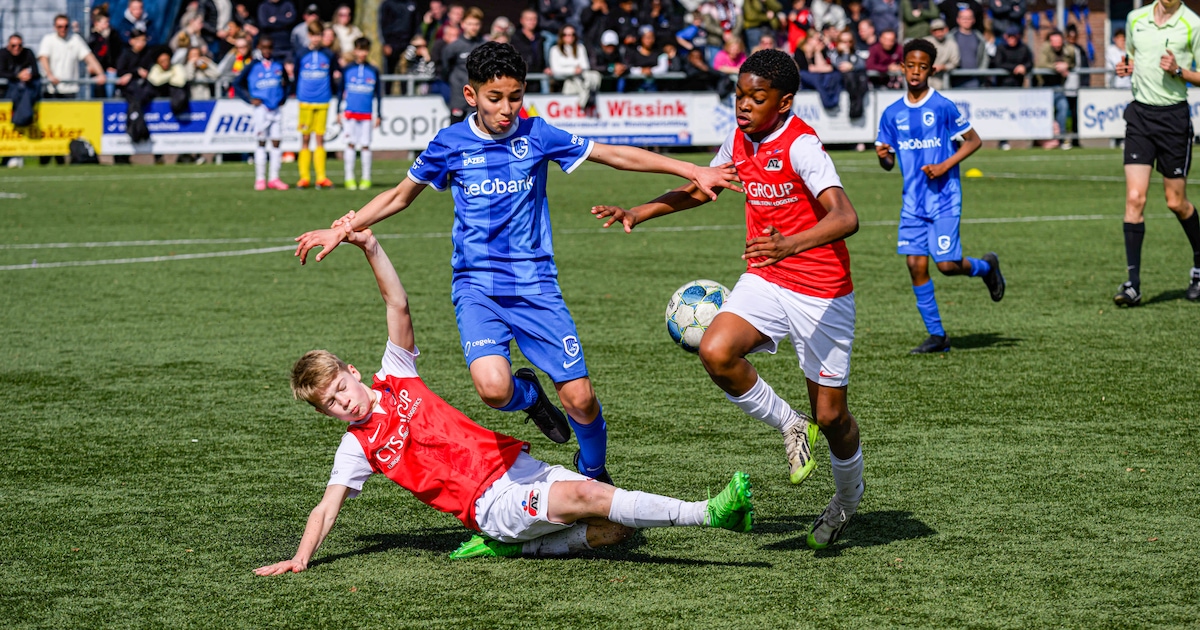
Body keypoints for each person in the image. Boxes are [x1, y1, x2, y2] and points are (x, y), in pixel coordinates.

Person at [295, 42, 740, 485]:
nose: (507, 108)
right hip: (476, 289)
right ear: (471, 96)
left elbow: (612, 153)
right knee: (494, 389)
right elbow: (398, 195)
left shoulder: (537, 134)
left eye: (515, 96)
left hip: (535, 286)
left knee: (581, 401)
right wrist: (342, 227)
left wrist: (691, 170)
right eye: (495, 98)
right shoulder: (450, 143)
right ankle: (530, 398)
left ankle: (594, 474)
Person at [261, 228, 755, 570]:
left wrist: (369, 244)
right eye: (329, 404)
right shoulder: (356, 447)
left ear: (351, 372)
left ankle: (517, 550)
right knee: (588, 495)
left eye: (340, 389)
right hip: (490, 504)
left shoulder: (396, 374)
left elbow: (397, 303)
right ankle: (710, 512)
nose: (342, 403)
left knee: (617, 529)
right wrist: (301, 557)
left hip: (520, 468)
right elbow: (326, 509)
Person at [591, 49, 865, 550]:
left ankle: (847, 499)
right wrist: (638, 212)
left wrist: (789, 243)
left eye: (756, 99)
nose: (743, 106)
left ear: (783, 103)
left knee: (833, 418)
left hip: (822, 292)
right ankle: (789, 424)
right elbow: (702, 188)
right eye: (739, 95)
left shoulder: (802, 145)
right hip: (766, 277)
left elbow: (845, 217)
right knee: (715, 350)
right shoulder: (739, 139)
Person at [874, 38, 1005, 354]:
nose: (916, 72)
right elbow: (889, 163)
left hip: (944, 197)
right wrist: (882, 156)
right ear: (903, 67)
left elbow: (973, 141)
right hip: (912, 203)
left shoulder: (942, 107)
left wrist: (944, 165)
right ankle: (937, 336)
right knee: (916, 266)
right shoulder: (892, 114)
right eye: (911, 66)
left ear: (931, 69)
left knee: (946, 265)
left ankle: (987, 267)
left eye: (922, 67)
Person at [1112, 0, 1200, 304]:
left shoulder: (1193, 23)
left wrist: (1178, 70)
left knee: (1176, 202)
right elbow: (1132, 58)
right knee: (1135, 198)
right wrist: (1125, 68)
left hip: (1174, 118)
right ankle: (1132, 285)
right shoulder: (1135, 18)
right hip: (1139, 117)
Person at [234, 37, 290, 191]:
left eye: (269, 47)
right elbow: (237, 83)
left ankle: (274, 178)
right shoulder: (253, 65)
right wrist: (249, 99)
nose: (267, 51)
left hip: (276, 109)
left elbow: (287, 82)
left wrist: (283, 98)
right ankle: (260, 179)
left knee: (277, 141)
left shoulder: (278, 64)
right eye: (264, 48)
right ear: (259, 47)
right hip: (261, 109)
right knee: (261, 141)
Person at [294, 22, 339, 189]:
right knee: (305, 139)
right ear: (308, 36)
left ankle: (321, 177)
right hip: (305, 101)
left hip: (323, 101)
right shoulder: (301, 54)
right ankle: (304, 178)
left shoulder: (328, 54)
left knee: (320, 138)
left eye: (318, 35)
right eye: (313, 35)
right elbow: (297, 75)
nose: (316, 38)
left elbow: (334, 73)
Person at [340, 37, 383, 190]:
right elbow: (340, 91)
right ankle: (349, 178)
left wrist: (378, 114)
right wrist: (338, 110)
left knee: (365, 145)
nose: (362, 53)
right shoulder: (347, 69)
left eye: (365, 50)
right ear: (355, 50)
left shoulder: (373, 70)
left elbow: (378, 94)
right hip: (350, 113)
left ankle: (366, 178)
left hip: (366, 114)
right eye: (359, 49)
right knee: (350, 144)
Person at [38, 14, 107, 99]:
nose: (63, 29)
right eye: (60, 26)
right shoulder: (48, 39)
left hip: (70, 89)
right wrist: (49, 75)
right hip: (52, 89)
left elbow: (89, 57)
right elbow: (43, 58)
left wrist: (100, 73)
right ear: (55, 27)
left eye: (66, 26)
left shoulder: (75, 39)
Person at [441, 7, 485, 123]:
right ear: (463, 24)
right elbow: (445, 68)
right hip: (459, 95)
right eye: (470, 24)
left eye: (476, 24)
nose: (473, 27)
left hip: (479, 94)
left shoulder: (485, 46)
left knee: (480, 128)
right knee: (455, 127)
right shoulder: (453, 47)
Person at [1034, 29, 1075, 150]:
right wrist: (1057, 67)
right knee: (1044, 113)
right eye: (1054, 41)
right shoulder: (1045, 48)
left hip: (1059, 87)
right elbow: (1041, 64)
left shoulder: (1069, 49)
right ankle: (1043, 139)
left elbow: (1073, 62)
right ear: (1050, 41)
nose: (1057, 44)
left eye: (1059, 41)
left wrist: (1067, 65)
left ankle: (1061, 138)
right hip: (1044, 86)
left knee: (1063, 107)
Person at [549, 25, 602, 107]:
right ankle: (585, 100)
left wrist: (567, 68)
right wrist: (573, 70)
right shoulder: (555, 50)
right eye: (566, 35)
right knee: (572, 83)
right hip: (561, 84)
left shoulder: (580, 48)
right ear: (561, 36)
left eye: (572, 34)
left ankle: (585, 100)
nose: (570, 37)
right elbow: (556, 70)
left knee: (595, 76)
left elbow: (585, 65)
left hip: (580, 80)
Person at [379, 0, 421, 73]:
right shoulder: (387, 4)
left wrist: (418, 39)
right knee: (388, 72)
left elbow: (416, 24)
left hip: (408, 44)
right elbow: (382, 25)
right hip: (392, 44)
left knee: (406, 71)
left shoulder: (411, 4)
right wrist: (385, 43)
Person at [949, 7, 986, 88]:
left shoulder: (979, 38)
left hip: (974, 80)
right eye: (964, 18)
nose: (966, 20)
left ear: (973, 20)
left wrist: (981, 73)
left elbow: (984, 57)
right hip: (955, 79)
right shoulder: (951, 37)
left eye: (969, 18)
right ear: (958, 20)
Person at [922, 18, 958, 89]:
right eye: (935, 30)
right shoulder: (925, 42)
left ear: (946, 29)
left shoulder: (952, 44)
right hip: (924, 76)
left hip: (942, 78)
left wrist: (943, 67)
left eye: (941, 30)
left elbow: (955, 63)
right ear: (931, 31)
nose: (939, 33)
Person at [511, 8, 547, 73]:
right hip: (521, 75)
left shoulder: (540, 38)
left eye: (534, 19)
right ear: (522, 20)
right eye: (528, 19)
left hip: (538, 76)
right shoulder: (514, 38)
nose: (532, 22)